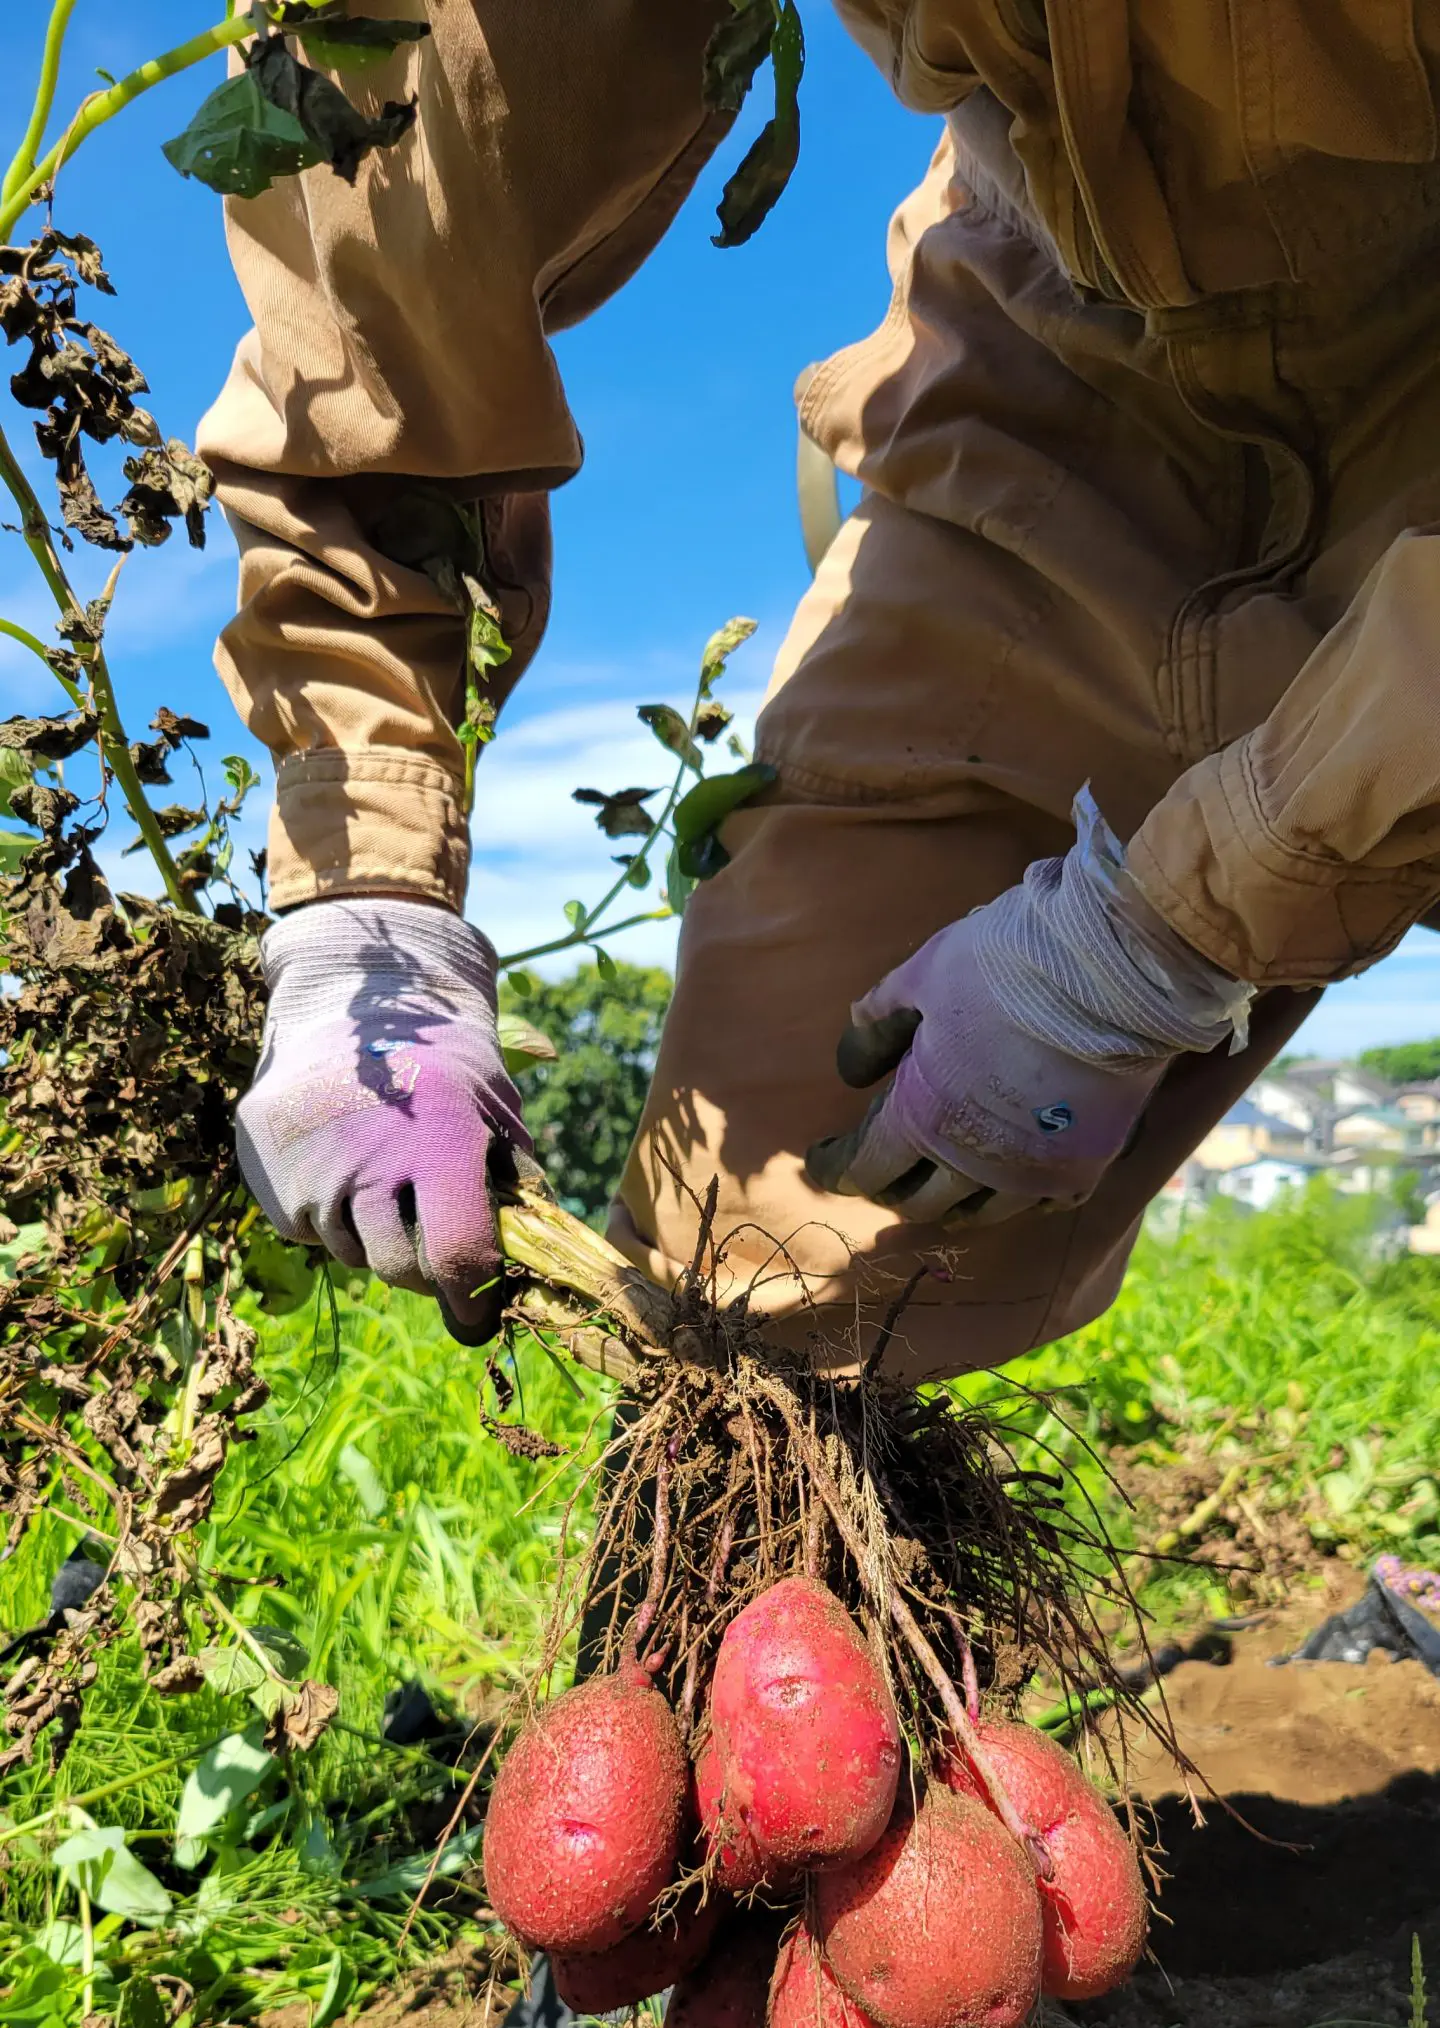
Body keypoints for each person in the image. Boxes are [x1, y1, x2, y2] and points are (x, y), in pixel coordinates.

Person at [205, 3, 1440, 1381]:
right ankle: (749, 1566)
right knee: (761, 1276)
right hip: (1073, 372)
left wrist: (1185, 922)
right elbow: (393, 230)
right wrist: (365, 896)